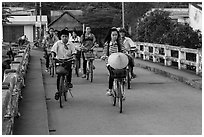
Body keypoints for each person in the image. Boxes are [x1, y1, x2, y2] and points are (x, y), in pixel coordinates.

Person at [51, 29, 76, 100]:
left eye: (66, 36)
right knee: (59, 76)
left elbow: (74, 52)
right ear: (61, 37)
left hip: (67, 60)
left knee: (69, 70)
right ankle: (58, 91)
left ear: (68, 37)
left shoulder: (71, 44)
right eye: (63, 36)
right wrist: (53, 56)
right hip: (59, 60)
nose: (65, 38)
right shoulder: (57, 43)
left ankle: (68, 82)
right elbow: (53, 51)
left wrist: (73, 56)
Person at [101, 27, 127, 96]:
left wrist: (125, 54)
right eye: (113, 35)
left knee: (123, 75)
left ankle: (122, 92)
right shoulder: (107, 44)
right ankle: (110, 90)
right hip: (110, 62)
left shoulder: (119, 43)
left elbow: (123, 50)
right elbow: (104, 52)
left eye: (116, 35)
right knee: (112, 75)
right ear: (110, 35)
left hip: (119, 62)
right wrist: (104, 56)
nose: (115, 36)